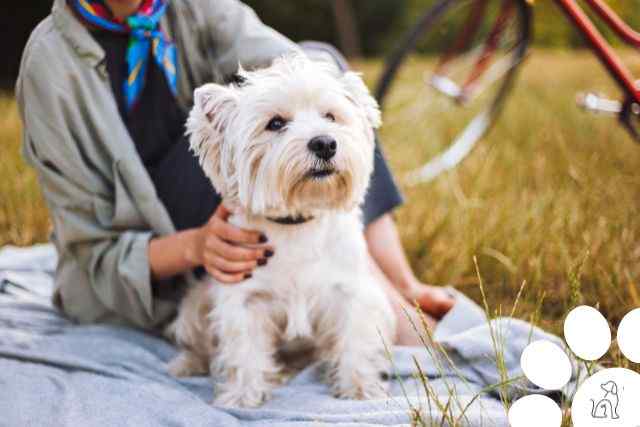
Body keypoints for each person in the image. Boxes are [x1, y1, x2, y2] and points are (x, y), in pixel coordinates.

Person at [17, 0, 454, 345]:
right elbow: (90, 250)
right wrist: (197, 247)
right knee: (233, 137)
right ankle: (382, 304)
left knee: (322, 69)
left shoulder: (193, 6)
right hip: (154, 252)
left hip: (227, 202)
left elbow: (292, 65)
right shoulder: (49, 67)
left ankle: (397, 281)